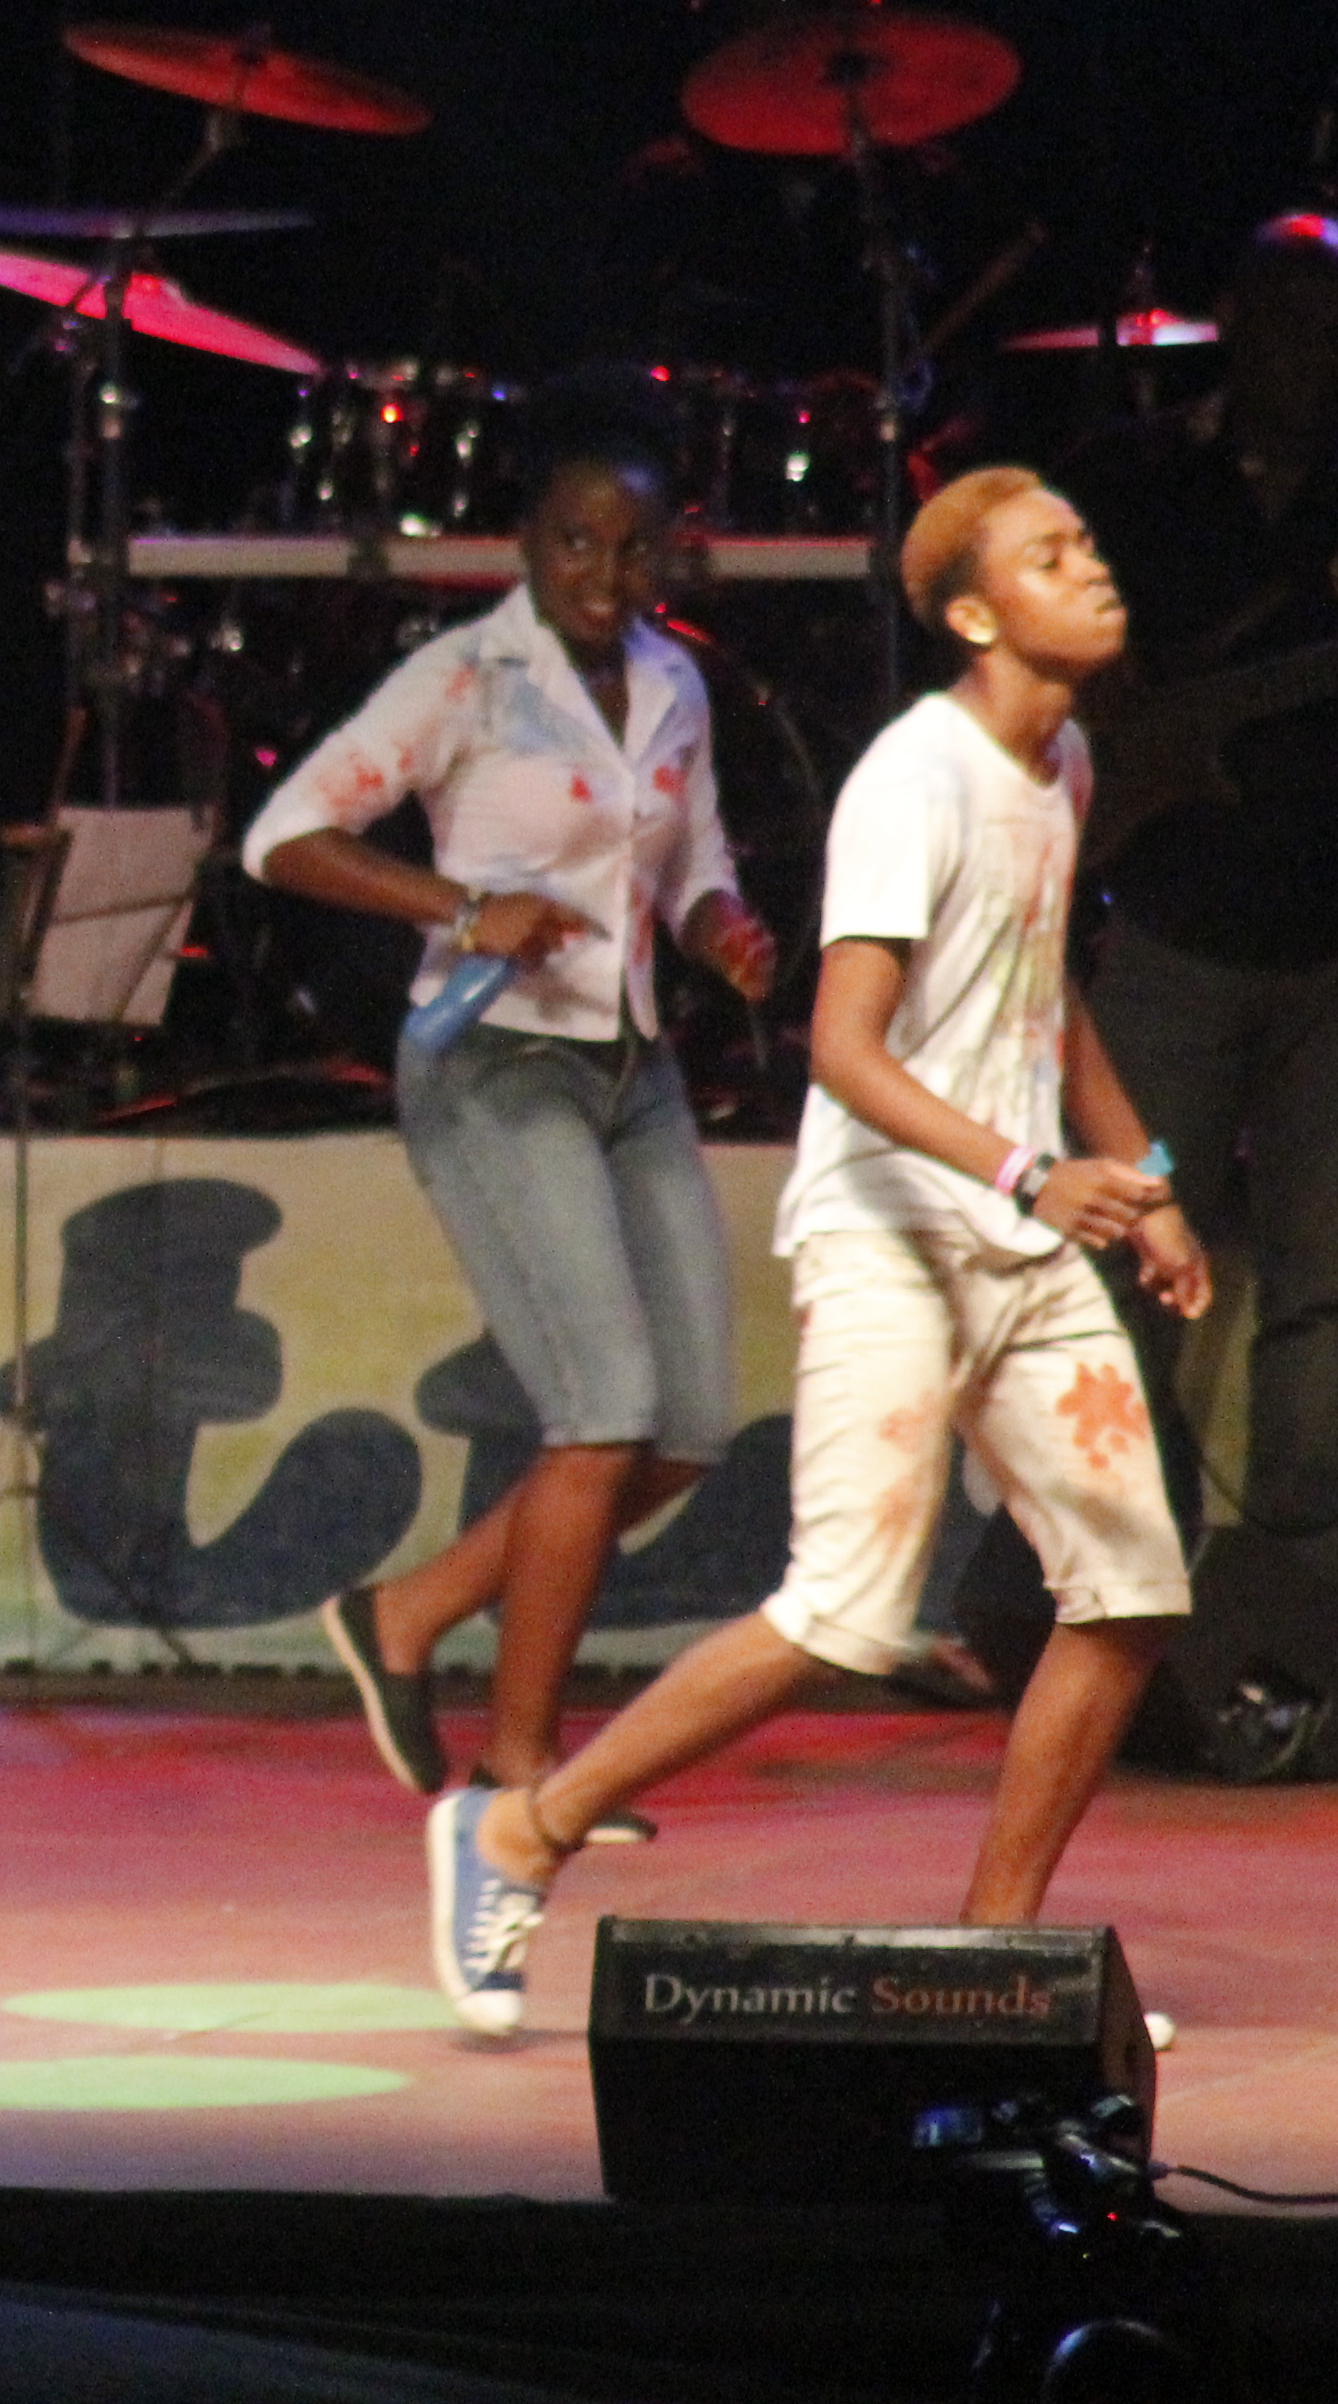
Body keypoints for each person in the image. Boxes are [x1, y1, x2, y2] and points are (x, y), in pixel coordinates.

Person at [424, 467, 1208, 2039]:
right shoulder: (916, 778)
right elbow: (842, 1049)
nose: (1094, 567)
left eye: (1089, 540)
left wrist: (1146, 1177)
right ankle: (521, 1829)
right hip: (892, 1234)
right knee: (844, 1614)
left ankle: (992, 1959)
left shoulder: (1062, 759)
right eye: (1052, 555)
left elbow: (1041, 991)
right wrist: (1028, 1170)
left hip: (1020, 1234)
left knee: (1127, 1587)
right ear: (976, 614)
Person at [250, 392, 781, 1823]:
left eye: (635, 549)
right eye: (575, 545)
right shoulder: (466, 679)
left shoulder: (673, 682)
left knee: (685, 1428)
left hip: (631, 1066)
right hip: (495, 1066)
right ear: (527, 546)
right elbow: (283, 836)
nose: (605, 575)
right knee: (600, 1414)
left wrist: (721, 927)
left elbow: (692, 861)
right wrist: (462, 906)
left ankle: (408, 1614)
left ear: (670, 554)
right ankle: (521, 1770)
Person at [1054, 213, 1338, 1597]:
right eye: (1286, 323)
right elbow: (1036, 642)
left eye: (1337, 331)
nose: (1311, 355)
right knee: (1125, 1282)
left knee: (1325, 1303)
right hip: (1171, 931)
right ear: (1233, 327)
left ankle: (1298, 1624)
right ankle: (1109, 1593)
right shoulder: (1130, 482)